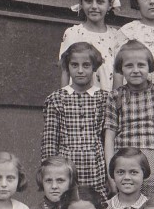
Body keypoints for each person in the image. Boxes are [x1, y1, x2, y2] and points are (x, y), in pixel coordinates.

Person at [104, 40, 154, 198]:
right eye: (129, 66)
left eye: (141, 65)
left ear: (150, 67)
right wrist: (110, 174)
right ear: (121, 69)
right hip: (124, 158)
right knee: (126, 202)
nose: (135, 70)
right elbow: (109, 137)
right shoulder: (115, 96)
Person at [42, 42, 109, 200]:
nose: (80, 70)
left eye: (86, 65)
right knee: (67, 203)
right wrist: (50, 171)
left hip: (96, 166)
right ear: (67, 67)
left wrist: (110, 174)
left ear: (94, 67)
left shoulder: (104, 98)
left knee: (95, 204)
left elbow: (107, 138)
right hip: (66, 167)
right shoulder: (57, 99)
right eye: (74, 65)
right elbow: (50, 140)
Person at [58, 0, 126, 90]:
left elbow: (119, 73)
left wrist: (115, 99)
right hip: (77, 97)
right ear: (81, 3)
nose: (94, 6)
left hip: (108, 96)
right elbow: (65, 70)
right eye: (88, 1)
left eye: (100, 2)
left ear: (110, 5)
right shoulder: (73, 33)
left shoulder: (117, 36)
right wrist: (64, 97)